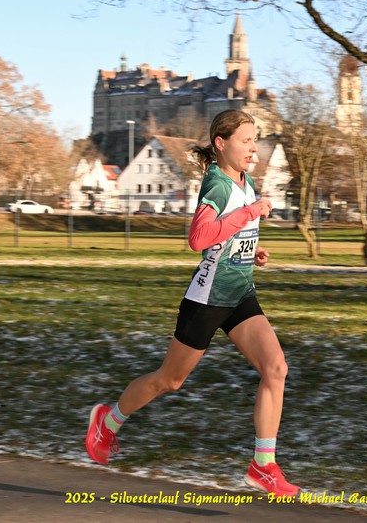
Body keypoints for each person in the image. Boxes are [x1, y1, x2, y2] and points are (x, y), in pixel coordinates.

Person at [85, 109, 299, 497]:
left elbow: (226, 236)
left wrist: (250, 250)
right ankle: (107, 421)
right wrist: (250, 213)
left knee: (276, 368)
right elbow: (199, 238)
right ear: (221, 143)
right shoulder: (217, 184)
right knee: (170, 380)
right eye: (246, 141)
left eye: (254, 140)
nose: (253, 148)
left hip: (239, 293)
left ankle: (263, 466)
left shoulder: (246, 181)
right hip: (208, 299)